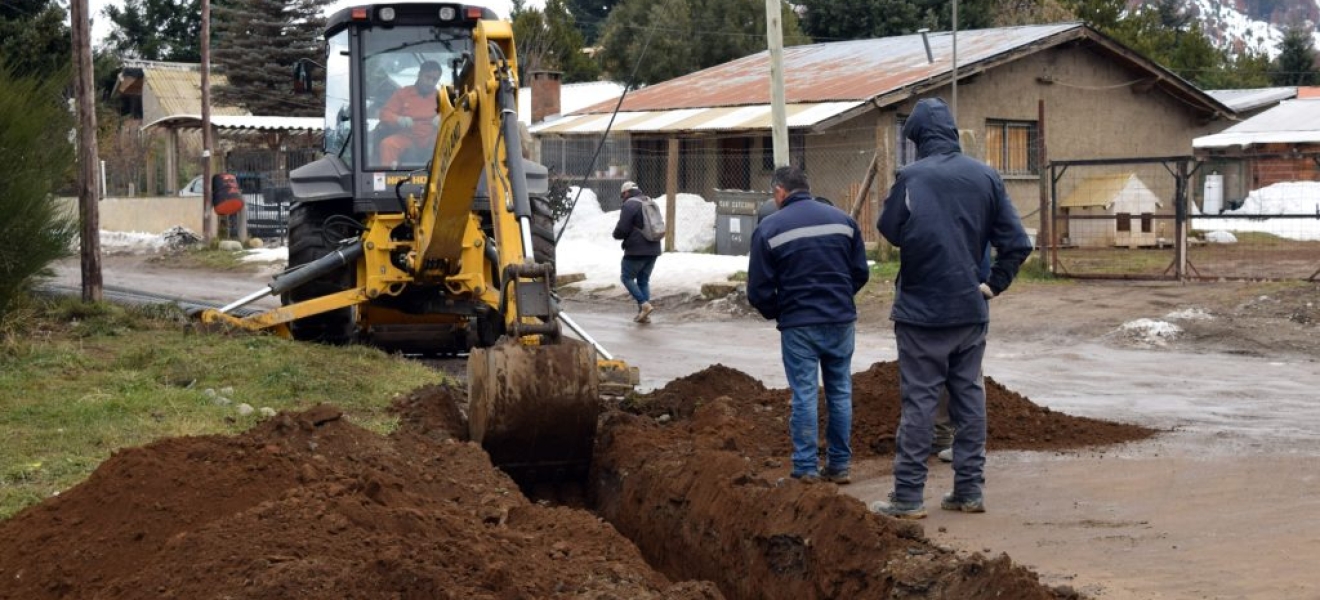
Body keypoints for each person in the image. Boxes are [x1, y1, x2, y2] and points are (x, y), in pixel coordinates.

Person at [870, 97, 1033, 519]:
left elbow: (889, 230)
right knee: (969, 399)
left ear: (919, 138)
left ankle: (907, 497)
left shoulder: (912, 176)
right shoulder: (986, 176)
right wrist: (992, 285)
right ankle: (969, 491)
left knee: (921, 403)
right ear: (953, 132)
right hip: (970, 308)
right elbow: (1017, 242)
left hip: (921, 311)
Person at [747, 166, 870, 484]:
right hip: (840, 319)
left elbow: (758, 290)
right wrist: (840, 298)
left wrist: (780, 311)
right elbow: (860, 273)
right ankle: (840, 466)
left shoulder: (769, 228)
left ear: (779, 192)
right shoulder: (843, 220)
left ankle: (805, 468)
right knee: (840, 391)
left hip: (799, 324)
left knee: (804, 394)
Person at [612, 181, 662, 323]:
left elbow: (622, 228)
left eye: (623, 195)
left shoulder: (630, 204)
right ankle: (644, 314)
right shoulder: (649, 201)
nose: (623, 198)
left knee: (626, 277)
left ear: (627, 192)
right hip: (654, 248)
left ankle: (644, 305)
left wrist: (616, 235)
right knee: (643, 280)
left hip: (636, 249)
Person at [378, 60, 443, 168]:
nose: (430, 82)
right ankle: (388, 181)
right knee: (388, 144)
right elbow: (384, 114)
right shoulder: (403, 93)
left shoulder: (442, 97)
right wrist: (398, 119)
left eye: (434, 79)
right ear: (419, 75)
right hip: (407, 137)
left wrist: (443, 118)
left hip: (431, 139)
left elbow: (455, 115)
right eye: (428, 77)